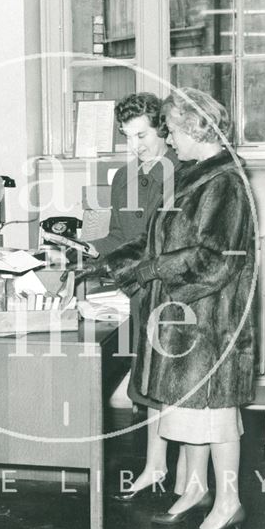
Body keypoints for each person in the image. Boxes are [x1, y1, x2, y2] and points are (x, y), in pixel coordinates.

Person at [99, 87, 255, 529]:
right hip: (185, 316)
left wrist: (148, 272)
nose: (169, 137)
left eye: (172, 129)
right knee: (188, 414)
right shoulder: (196, 174)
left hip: (210, 318)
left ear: (195, 130)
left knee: (216, 416)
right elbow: (158, 240)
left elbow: (215, 259)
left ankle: (229, 503)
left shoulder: (225, 181)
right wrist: (108, 262)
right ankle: (193, 489)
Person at [79, 92, 186, 497]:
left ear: (162, 130)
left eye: (142, 135)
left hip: (171, 291)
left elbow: (160, 242)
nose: (135, 145)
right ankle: (156, 466)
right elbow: (121, 237)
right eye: (127, 136)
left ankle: (183, 475)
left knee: (169, 384)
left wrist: (119, 258)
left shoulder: (182, 173)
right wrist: (90, 249)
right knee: (148, 382)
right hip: (139, 291)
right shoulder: (124, 177)